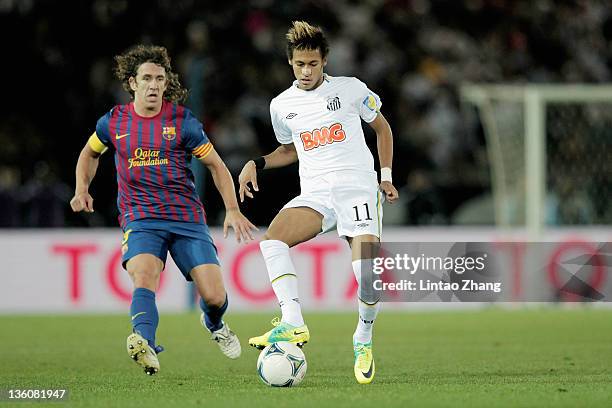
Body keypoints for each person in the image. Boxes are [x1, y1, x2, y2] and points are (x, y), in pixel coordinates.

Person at [70, 45, 257, 375]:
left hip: (186, 218)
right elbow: (89, 153)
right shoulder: (114, 122)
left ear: (166, 83)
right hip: (140, 218)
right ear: (132, 83)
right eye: (147, 78)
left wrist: (232, 209)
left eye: (160, 78)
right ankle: (143, 342)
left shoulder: (183, 122)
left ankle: (214, 323)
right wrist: (81, 189)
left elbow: (215, 165)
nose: (154, 84)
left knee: (214, 296)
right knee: (144, 275)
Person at [238, 21, 398, 384]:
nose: (306, 71)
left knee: (369, 280)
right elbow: (289, 149)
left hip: (357, 189)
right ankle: (293, 322)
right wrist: (256, 163)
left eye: (312, 63)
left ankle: (363, 338)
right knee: (273, 239)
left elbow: (383, 129)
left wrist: (385, 176)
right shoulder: (282, 105)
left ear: (325, 60)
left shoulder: (351, 89)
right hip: (316, 193)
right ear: (290, 64)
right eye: (299, 64)